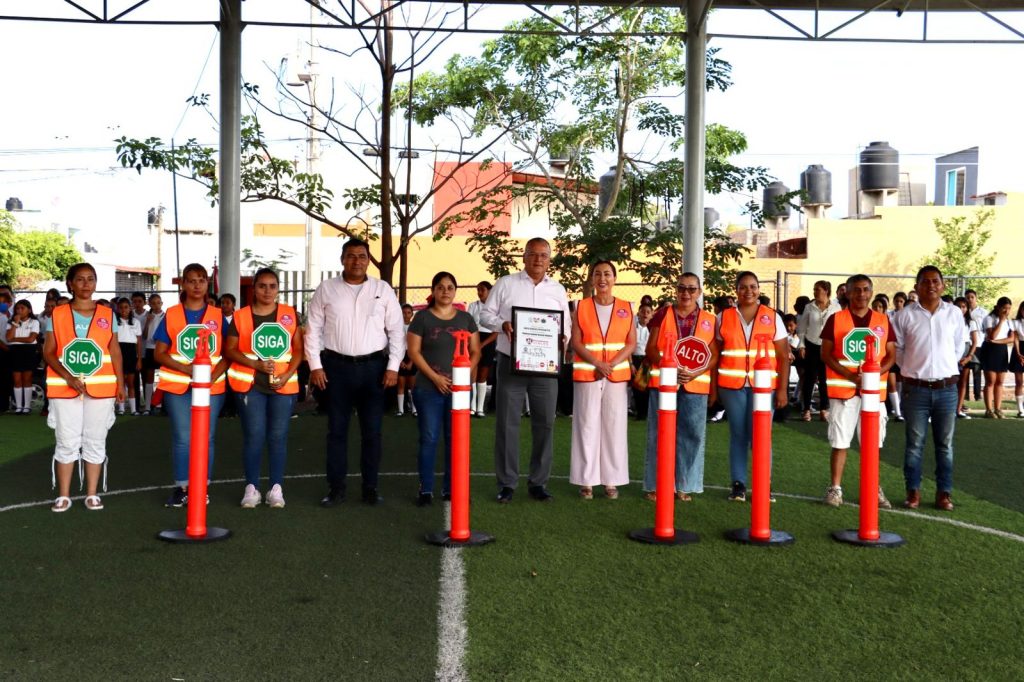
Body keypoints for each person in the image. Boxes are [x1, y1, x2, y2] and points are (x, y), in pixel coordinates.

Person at [306, 238, 405, 507]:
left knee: (372, 433)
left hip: (374, 369)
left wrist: (393, 366)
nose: (356, 261)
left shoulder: (382, 289)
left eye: (362, 256)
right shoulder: (326, 289)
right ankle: (336, 488)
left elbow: (396, 330)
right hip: (335, 368)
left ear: (368, 260)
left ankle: (370, 488)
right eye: (351, 256)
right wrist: (315, 365)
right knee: (336, 431)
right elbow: (312, 329)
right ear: (342, 259)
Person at [480, 237, 571, 503]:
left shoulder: (557, 289)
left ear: (549, 259)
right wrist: (502, 324)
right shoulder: (506, 284)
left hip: (545, 366)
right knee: (507, 424)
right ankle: (507, 484)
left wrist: (562, 338)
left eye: (543, 255)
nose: (538, 259)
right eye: (533, 254)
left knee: (545, 424)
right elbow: (485, 315)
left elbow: (565, 325)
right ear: (524, 256)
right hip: (511, 363)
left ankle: (538, 483)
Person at [42, 263, 124, 511]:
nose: (86, 284)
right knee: (66, 440)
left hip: (101, 388)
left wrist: (121, 383)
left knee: (95, 440)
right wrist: (68, 378)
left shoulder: (108, 314)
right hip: (64, 388)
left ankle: (92, 494)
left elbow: (115, 351)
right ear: (70, 284)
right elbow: (48, 352)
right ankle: (64, 495)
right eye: (80, 279)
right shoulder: (57, 314)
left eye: (91, 279)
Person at [225, 268, 304, 509]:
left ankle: (276, 488)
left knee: (278, 437)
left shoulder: (290, 314)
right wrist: (256, 364)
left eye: (272, 286)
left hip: (282, 385)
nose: (267, 291)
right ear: (254, 289)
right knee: (254, 436)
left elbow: (298, 350)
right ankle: (252, 487)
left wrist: (287, 374)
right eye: (262, 286)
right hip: (250, 385)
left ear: (278, 289)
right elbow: (230, 350)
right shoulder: (241, 316)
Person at [153, 263, 229, 507]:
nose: (197, 285)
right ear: (183, 284)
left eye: (202, 280)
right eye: (192, 280)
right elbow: (159, 353)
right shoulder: (172, 314)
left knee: (206, 437)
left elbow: (230, 352)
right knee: (183, 437)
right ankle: (182, 488)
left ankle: (202, 488)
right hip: (178, 387)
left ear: (208, 284)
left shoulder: (217, 315)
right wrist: (187, 370)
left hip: (210, 388)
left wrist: (212, 376)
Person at [640, 272, 719, 502]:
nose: (686, 293)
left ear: (699, 292)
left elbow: (714, 355)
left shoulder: (710, 319)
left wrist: (696, 372)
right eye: (682, 288)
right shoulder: (663, 314)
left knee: (692, 435)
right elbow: (651, 349)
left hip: (695, 384)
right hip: (664, 383)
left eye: (692, 289)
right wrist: (670, 368)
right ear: (676, 290)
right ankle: (656, 485)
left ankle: (685, 485)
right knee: (659, 434)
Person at [891, 265, 964, 511]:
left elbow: (959, 347)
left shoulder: (954, 313)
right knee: (914, 444)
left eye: (935, 281)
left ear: (943, 285)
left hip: (947, 389)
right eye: (925, 281)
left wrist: (945, 367)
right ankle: (913, 491)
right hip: (916, 390)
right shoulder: (904, 316)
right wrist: (913, 369)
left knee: (945, 445)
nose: (931, 285)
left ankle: (944, 493)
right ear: (917, 286)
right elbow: (898, 350)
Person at [819, 275, 896, 508]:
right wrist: (851, 376)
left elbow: (891, 355)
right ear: (848, 292)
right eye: (856, 290)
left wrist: (873, 375)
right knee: (840, 441)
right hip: (844, 391)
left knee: (873, 444)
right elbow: (826, 354)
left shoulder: (883, 320)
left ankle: (872, 487)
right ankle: (835, 488)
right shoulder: (836, 319)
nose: (861, 294)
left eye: (865, 289)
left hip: (874, 394)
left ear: (871, 292)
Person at [406, 271, 480, 506]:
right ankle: (426, 489)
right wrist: (435, 378)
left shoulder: (466, 319)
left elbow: (475, 351)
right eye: (440, 287)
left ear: (455, 291)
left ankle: (452, 488)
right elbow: (413, 352)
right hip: (428, 388)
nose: (445, 291)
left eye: (450, 287)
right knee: (429, 438)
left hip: (459, 391)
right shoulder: (422, 318)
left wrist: (462, 377)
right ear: (433, 291)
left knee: (455, 439)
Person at [716, 271, 790, 502]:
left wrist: (782, 389)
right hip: (732, 386)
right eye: (743, 287)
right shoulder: (723, 317)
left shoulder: (773, 316)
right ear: (736, 290)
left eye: (753, 286)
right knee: (738, 434)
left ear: (759, 289)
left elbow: (783, 356)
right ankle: (738, 484)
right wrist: (712, 390)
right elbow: (715, 354)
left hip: (764, 388)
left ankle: (763, 484)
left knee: (761, 436)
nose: (748, 291)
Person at [569, 261, 635, 500]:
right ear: (592, 279)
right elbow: (576, 342)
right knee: (586, 425)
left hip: (615, 376)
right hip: (588, 374)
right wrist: (598, 364)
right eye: (597, 274)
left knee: (614, 426)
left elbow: (631, 343)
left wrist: (609, 366)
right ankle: (586, 481)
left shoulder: (627, 307)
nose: (602, 278)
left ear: (614, 278)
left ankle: (611, 481)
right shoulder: (581, 306)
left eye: (607, 274)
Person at [796, 280, 839, 422]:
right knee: (810, 378)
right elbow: (801, 328)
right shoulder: (809, 307)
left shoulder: (836, 307)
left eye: (818, 289)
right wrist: (801, 345)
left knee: (825, 378)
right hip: (811, 344)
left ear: (826, 291)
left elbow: (839, 328)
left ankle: (824, 409)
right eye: (814, 289)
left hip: (828, 346)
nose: (815, 292)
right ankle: (806, 409)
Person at [980, 296, 1014, 419]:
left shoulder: (1009, 321)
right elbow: (992, 336)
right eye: (1004, 308)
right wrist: (1000, 321)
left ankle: (998, 409)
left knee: (1000, 382)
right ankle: (989, 410)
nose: (1006, 311)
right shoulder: (989, 318)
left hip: (1002, 350)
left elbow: (1011, 338)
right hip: (990, 350)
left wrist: (998, 342)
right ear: (998, 307)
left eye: (1009, 308)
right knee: (990, 381)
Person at [467, 281, 497, 417]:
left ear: (490, 291)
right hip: (474, 338)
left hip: (488, 341)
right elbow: (468, 326)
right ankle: (472, 407)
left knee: (483, 374)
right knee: (473, 372)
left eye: (482, 290)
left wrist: (482, 344)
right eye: (478, 290)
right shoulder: (473, 306)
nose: (479, 293)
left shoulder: (496, 307)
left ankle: (480, 408)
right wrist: (473, 344)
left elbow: (496, 331)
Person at [6, 299, 41, 414]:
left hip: (29, 351)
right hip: (15, 351)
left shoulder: (34, 322)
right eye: (17, 308)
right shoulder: (11, 322)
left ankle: (26, 406)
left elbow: (31, 339)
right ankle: (18, 406)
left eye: (22, 308)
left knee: (27, 379)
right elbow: (8, 338)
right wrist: (15, 323)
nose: (19, 311)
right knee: (17, 379)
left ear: (29, 310)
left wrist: (14, 339)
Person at [114, 297, 143, 415]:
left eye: (126, 307)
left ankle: (133, 409)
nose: (123, 310)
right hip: (118, 351)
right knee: (120, 382)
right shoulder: (114, 321)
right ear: (117, 309)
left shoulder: (136, 322)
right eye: (121, 307)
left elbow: (139, 342)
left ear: (130, 308)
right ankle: (121, 408)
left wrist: (139, 359)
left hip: (131, 352)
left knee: (131, 383)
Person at [953, 296, 981, 419]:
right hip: (952, 351)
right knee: (951, 382)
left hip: (965, 351)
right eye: (958, 306)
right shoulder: (950, 321)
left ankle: (958, 409)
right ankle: (949, 409)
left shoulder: (970, 322)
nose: (961, 309)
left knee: (962, 382)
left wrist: (969, 356)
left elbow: (974, 341)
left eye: (964, 307)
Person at [141, 293, 164, 414]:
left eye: (158, 303)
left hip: (163, 349)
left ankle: (161, 404)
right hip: (150, 348)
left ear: (162, 303)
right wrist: (148, 322)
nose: (156, 305)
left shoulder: (166, 316)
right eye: (153, 303)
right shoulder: (148, 317)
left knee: (163, 377)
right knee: (149, 377)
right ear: (149, 304)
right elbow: (144, 336)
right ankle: (148, 406)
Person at [630, 302, 653, 420]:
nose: (645, 314)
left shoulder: (653, 330)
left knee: (646, 387)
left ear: (651, 315)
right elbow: (628, 346)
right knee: (636, 387)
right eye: (643, 312)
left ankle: (647, 413)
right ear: (638, 314)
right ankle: (639, 413)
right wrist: (631, 363)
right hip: (635, 359)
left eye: (648, 312)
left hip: (647, 360)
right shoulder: (633, 329)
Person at [396, 303, 418, 417]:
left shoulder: (415, 327)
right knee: (401, 384)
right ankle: (401, 410)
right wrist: (400, 361)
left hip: (412, 356)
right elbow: (393, 345)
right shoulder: (396, 327)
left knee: (412, 385)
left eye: (409, 313)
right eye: (403, 313)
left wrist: (411, 362)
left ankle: (414, 409)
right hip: (400, 356)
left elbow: (417, 347)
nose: (406, 315)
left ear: (412, 314)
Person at [1011, 302, 1024, 418]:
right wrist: (1019, 353)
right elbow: (1015, 338)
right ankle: (1020, 409)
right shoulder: (1015, 322)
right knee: (1019, 381)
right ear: (1020, 310)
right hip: (1018, 349)